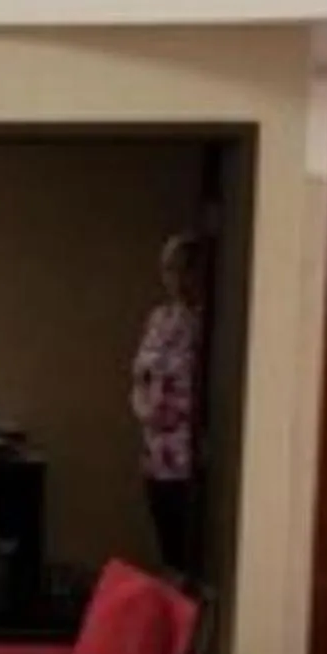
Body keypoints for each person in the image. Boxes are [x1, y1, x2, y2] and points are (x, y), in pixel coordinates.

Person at [130, 234, 206, 578]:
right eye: (167, 270)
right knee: (166, 550)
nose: (172, 278)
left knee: (188, 550)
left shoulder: (208, 323)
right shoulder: (160, 319)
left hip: (186, 454)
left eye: (179, 269)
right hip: (155, 449)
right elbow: (141, 375)